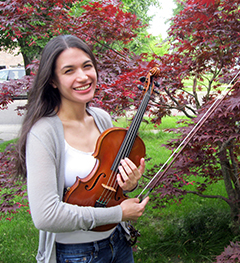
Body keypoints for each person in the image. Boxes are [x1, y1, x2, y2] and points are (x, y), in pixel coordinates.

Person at [15, 35, 149, 263]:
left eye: (87, 66)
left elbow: (109, 186)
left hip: (119, 242)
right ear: (53, 81)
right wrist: (119, 213)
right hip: (77, 255)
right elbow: (46, 216)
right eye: (69, 71)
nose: (83, 76)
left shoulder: (102, 118)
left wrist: (128, 183)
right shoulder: (43, 133)